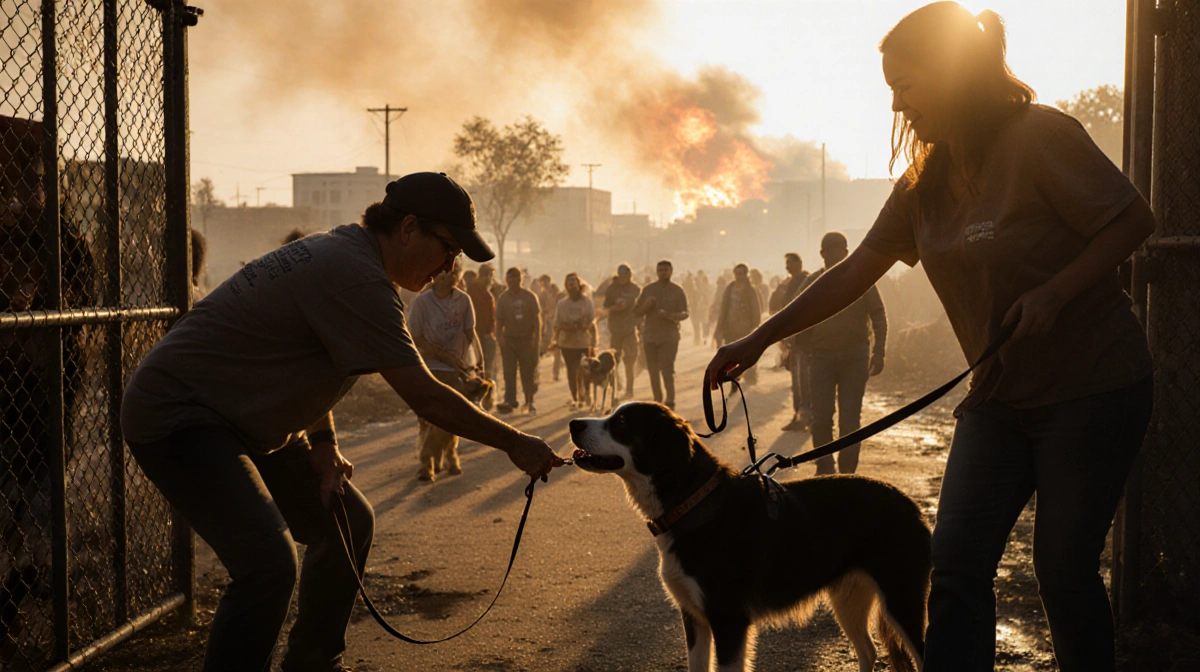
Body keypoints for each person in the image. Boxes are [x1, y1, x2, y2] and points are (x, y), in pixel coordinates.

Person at [707, 4, 1156, 670]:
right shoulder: (924, 183)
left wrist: (1057, 292)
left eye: (906, 84)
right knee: (955, 565)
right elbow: (852, 273)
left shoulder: (1039, 136)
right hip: (1001, 397)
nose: (897, 104)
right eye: (891, 88)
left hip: (1092, 387)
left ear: (952, 75)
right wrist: (759, 338)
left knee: (1062, 570)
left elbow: (1132, 219)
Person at [121, 172, 561, 672]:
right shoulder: (355, 276)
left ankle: (313, 662)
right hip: (180, 417)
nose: (449, 265)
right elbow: (427, 399)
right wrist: (516, 443)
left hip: (241, 419)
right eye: (448, 248)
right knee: (267, 565)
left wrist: (324, 442)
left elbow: (318, 360)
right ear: (409, 228)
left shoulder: (348, 256)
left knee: (347, 520)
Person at [801, 233, 888, 474]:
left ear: (847, 253)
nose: (837, 256)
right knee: (822, 419)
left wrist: (879, 352)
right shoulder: (812, 282)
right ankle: (825, 469)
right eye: (831, 251)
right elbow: (795, 315)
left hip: (855, 357)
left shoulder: (863, 280)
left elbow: (878, 315)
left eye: (841, 251)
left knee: (850, 420)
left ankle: (847, 473)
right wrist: (802, 350)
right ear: (822, 254)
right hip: (821, 359)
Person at [407, 259, 484, 480]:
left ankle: (448, 456)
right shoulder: (422, 302)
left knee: (452, 417)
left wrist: (480, 360)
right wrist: (442, 355)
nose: (452, 277)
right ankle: (427, 463)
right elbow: (416, 337)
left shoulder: (464, 300)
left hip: (458, 368)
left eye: (455, 273)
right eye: (447, 273)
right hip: (430, 368)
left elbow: (471, 332)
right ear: (436, 276)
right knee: (429, 417)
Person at [634, 260, 689, 409]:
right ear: (656, 273)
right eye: (660, 271)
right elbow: (637, 312)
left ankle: (670, 400)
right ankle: (657, 399)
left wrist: (670, 315)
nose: (663, 273)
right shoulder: (648, 290)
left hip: (669, 336)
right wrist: (646, 305)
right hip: (650, 336)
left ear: (671, 271)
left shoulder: (677, 291)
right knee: (652, 370)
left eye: (666, 270)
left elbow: (685, 313)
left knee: (667, 368)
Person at [495, 267, 542, 415]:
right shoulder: (503, 298)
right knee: (509, 372)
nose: (513, 282)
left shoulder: (530, 296)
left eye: (516, 279)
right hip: (509, 339)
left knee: (527, 372)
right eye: (510, 280)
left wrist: (537, 338)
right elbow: (499, 321)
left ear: (521, 280)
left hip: (527, 339)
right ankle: (510, 400)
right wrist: (499, 339)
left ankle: (529, 400)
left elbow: (537, 319)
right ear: (507, 281)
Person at [774, 253, 811, 431]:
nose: (787, 267)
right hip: (793, 341)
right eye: (786, 263)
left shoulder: (805, 281)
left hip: (804, 341)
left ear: (799, 263)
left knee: (803, 382)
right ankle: (800, 416)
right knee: (797, 382)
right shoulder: (789, 283)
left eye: (790, 263)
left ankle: (806, 417)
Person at [551, 272, 597, 407]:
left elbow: (592, 320)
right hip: (567, 342)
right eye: (568, 282)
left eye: (573, 281)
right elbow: (557, 323)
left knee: (586, 370)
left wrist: (584, 326)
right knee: (571, 371)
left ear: (579, 284)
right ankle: (576, 397)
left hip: (583, 341)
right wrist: (565, 327)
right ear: (566, 286)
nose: (571, 284)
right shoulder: (562, 304)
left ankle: (587, 393)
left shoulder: (587, 302)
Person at [712, 263, 762, 384]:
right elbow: (723, 309)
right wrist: (719, 328)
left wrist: (755, 326)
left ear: (746, 274)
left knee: (747, 354)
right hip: (730, 328)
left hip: (746, 329)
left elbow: (756, 309)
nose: (739, 276)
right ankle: (735, 379)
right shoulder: (730, 288)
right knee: (732, 356)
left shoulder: (751, 290)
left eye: (742, 274)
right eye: (737, 274)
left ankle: (751, 377)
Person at [603, 263, 641, 399]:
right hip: (616, 328)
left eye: (627, 274)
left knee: (630, 360)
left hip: (630, 328)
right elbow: (606, 306)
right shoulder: (612, 289)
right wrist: (615, 307)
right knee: (614, 360)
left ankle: (629, 389)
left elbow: (640, 305)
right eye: (622, 275)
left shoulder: (635, 288)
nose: (624, 277)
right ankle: (616, 386)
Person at [467, 263, 499, 409]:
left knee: (488, 367)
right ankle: (482, 398)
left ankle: (487, 399)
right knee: (481, 367)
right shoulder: (475, 293)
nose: (492, 279)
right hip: (478, 335)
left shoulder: (487, 293)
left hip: (487, 334)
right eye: (490, 276)